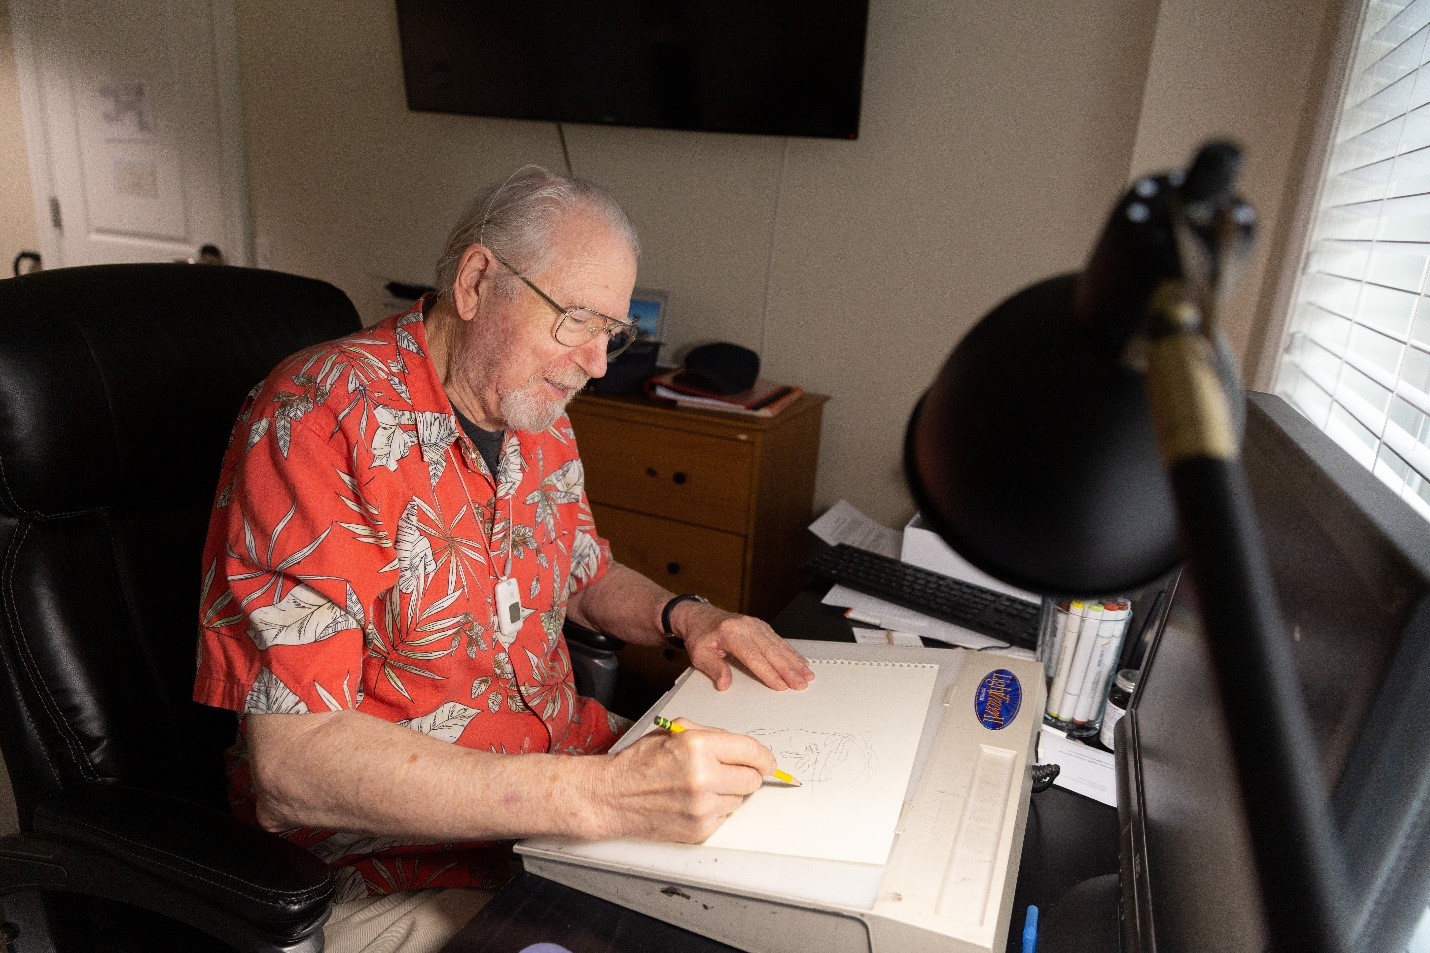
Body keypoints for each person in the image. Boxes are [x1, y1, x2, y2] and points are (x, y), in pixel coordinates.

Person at [193, 165, 815, 952]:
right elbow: (296, 770)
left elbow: (580, 570)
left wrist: (687, 616)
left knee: (783, 890)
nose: (596, 362)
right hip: (394, 864)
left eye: (614, 333)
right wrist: (598, 798)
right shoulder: (315, 421)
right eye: (577, 320)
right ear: (478, 280)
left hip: (561, 786)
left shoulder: (533, 408)